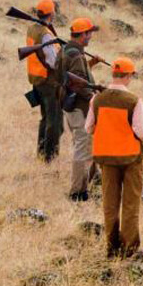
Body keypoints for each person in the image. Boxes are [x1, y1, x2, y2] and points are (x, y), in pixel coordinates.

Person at [84, 57, 143, 258]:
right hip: (131, 158)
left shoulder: (97, 99)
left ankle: (111, 247)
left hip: (106, 158)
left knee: (110, 203)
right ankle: (130, 249)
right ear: (129, 75)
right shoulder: (134, 101)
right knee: (130, 203)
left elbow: (89, 127)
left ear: (113, 74)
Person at [54, 18, 104, 201]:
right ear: (83, 34)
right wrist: (97, 93)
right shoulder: (75, 55)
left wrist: (90, 64)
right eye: (89, 33)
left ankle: (88, 183)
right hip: (79, 108)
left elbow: (71, 77)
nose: (91, 36)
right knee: (82, 149)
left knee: (82, 146)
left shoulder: (66, 50)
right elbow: (78, 86)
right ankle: (77, 193)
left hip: (70, 106)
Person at [23, 0, 64, 162]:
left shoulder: (32, 28)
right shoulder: (45, 34)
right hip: (49, 81)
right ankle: (49, 157)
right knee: (55, 123)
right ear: (52, 13)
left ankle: (41, 153)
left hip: (37, 80)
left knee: (46, 118)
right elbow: (53, 62)